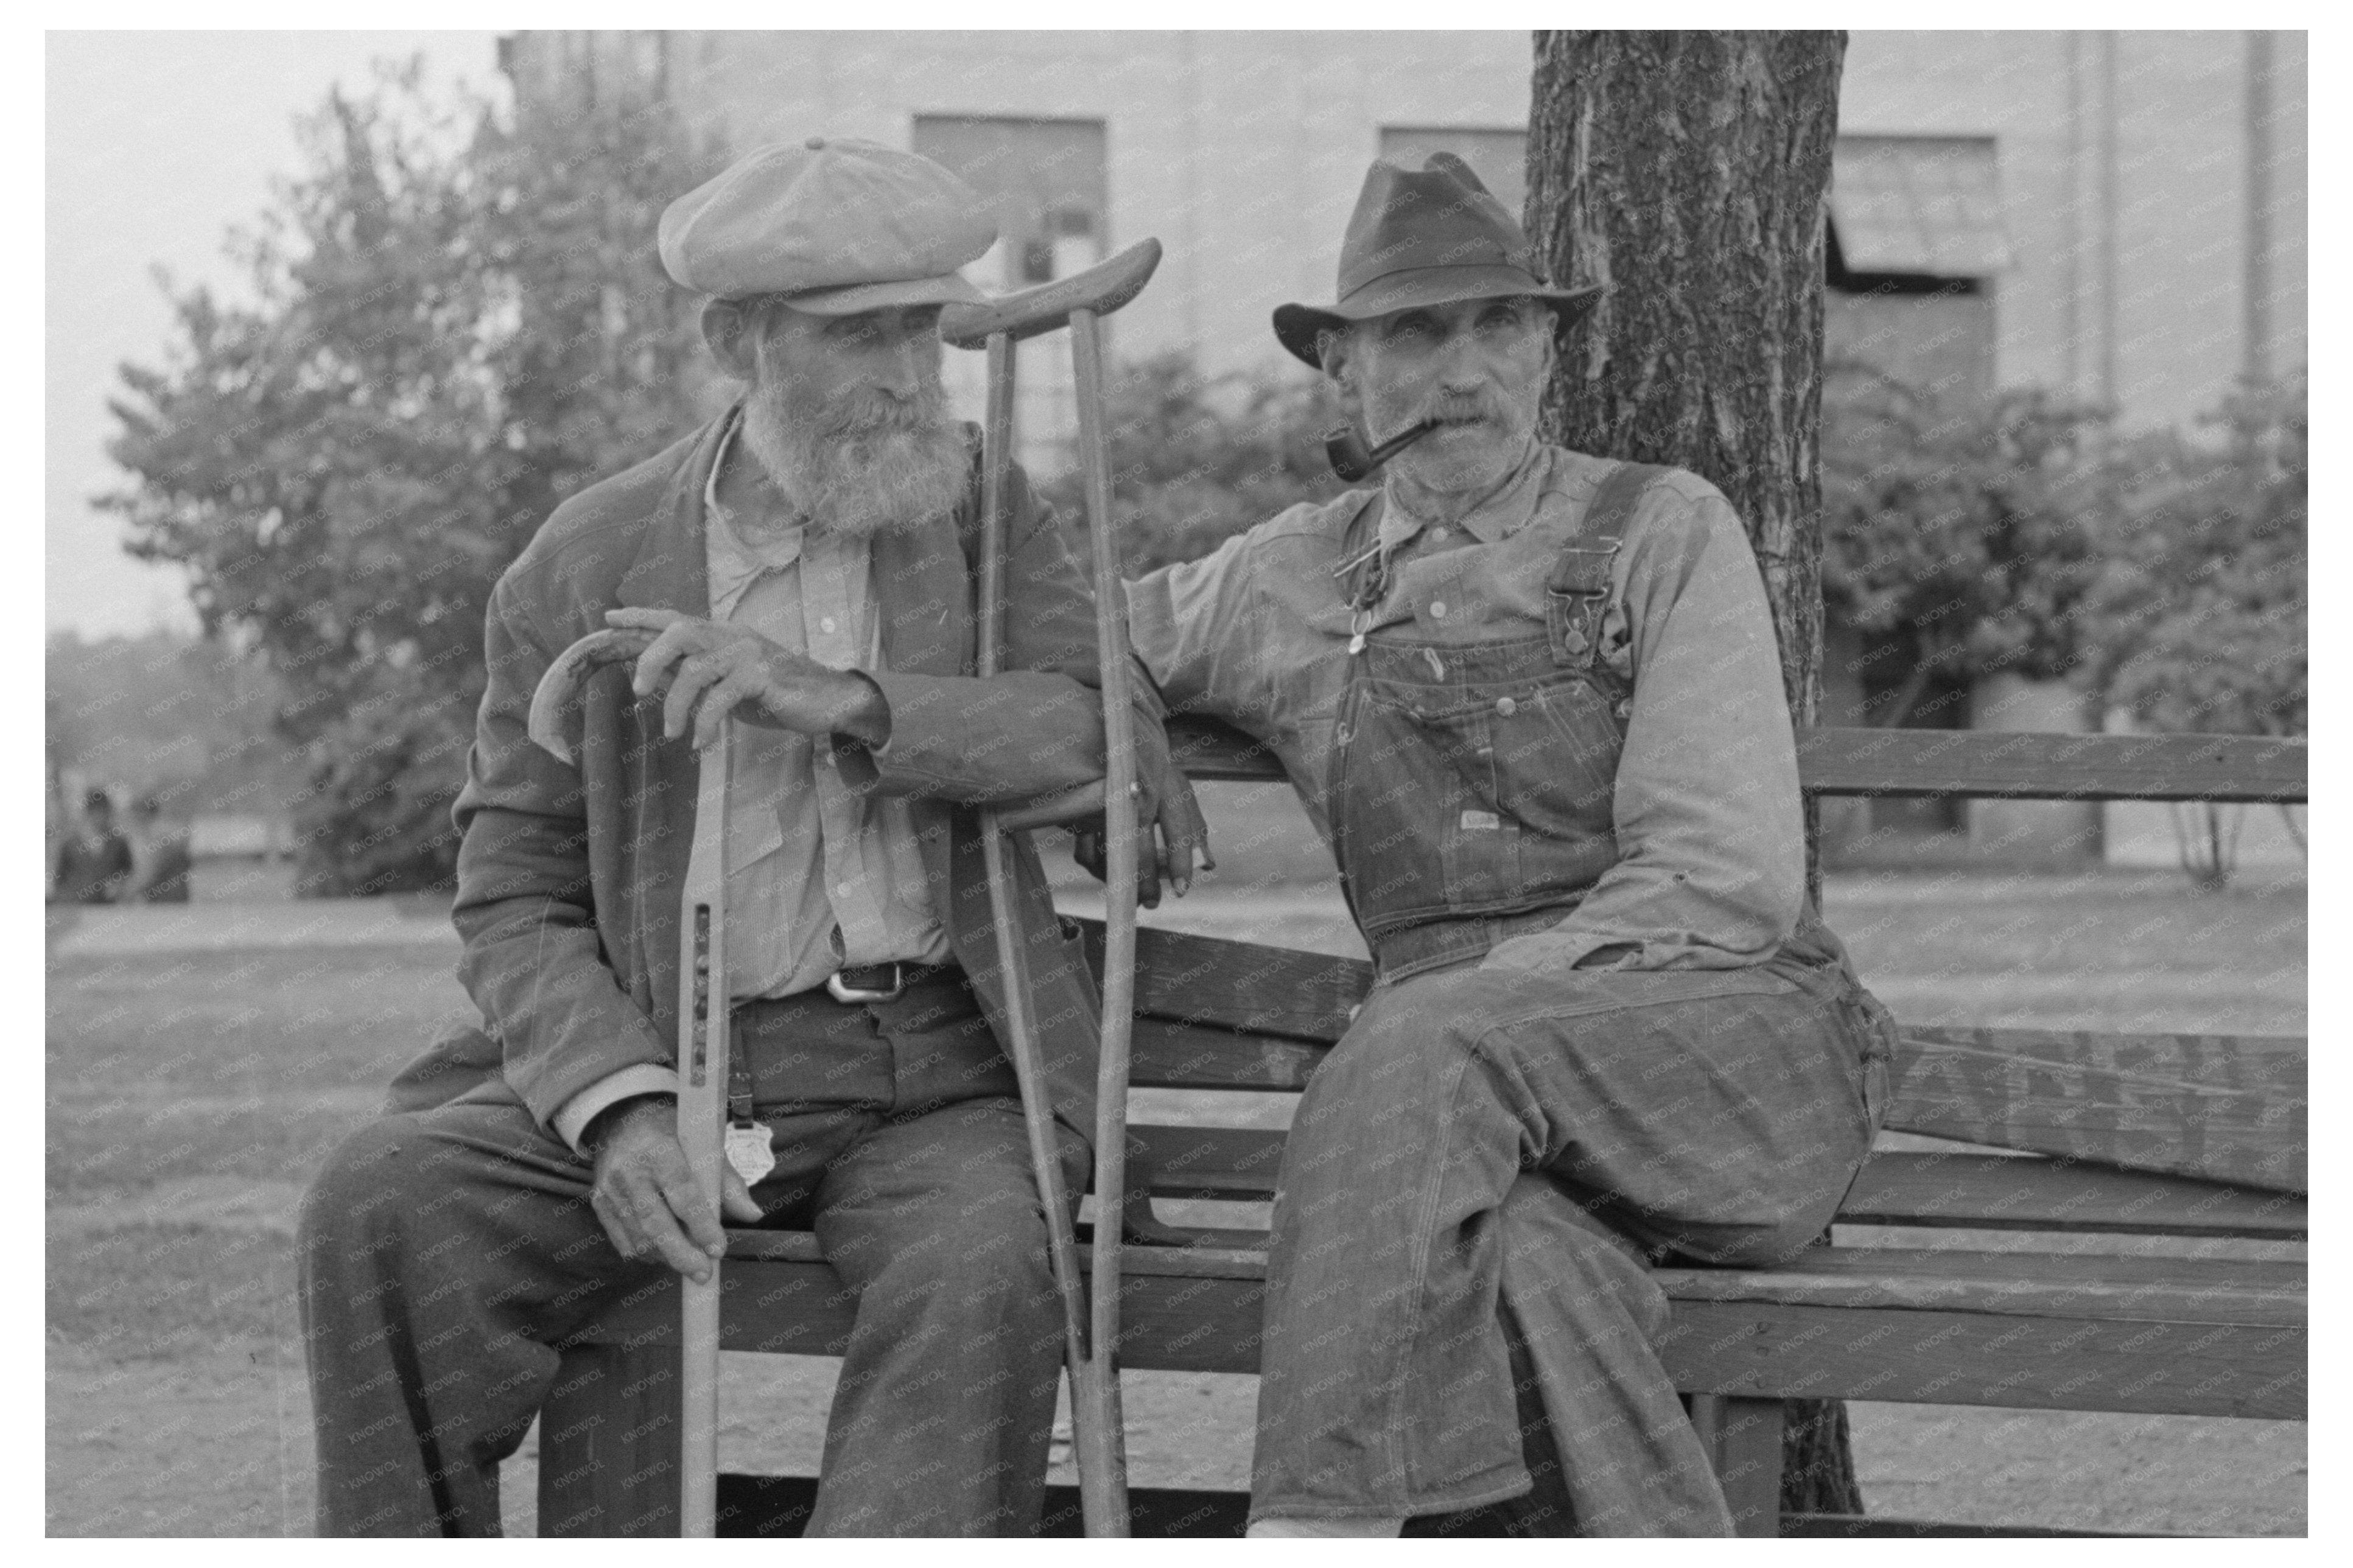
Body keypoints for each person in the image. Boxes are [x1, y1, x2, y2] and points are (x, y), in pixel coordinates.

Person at [297, 135, 1204, 1538]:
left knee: (977, 1270)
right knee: (385, 1200)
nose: (913, 375)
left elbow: (1093, 738)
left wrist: (843, 701)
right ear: (740, 342)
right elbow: (512, 894)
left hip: (947, 1068)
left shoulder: (973, 508)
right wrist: (622, 1101)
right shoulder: (584, 559)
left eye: (925, 329)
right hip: (689, 1052)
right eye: (860, 338)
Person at [1123, 153, 1898, 1537]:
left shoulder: (1663, 528)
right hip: (1463, 1128)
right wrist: (1121, 716)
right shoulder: (1288, 578)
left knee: (1420, 1039)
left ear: (1547, 355)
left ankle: (1309, 1532)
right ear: (1339, 373)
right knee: (1526, 1265)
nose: (1462, 370)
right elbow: (1063, 634)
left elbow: (1724, 879)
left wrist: (1483, 1015)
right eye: (1417, 334)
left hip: (1722, 1060)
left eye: (1499, 330)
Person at [50, 787, 132, 905]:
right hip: (76, 906)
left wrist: (119, 885)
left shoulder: (118, 844)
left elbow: (128, 871)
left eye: (103, 812)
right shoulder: (71, 845)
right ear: (88, 813)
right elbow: (60, 880)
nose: (100, 817)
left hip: (108, 907)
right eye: (96, 812)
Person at [124, 794, 193, 903]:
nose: (134, 818)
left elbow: (147, 875)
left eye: (139, 813)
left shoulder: (157, 839)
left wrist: (124, 892)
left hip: (167, 902)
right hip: (163, 901)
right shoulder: (145, 839)